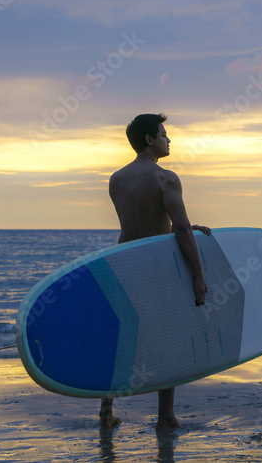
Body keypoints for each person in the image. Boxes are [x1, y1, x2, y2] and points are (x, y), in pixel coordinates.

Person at [99, 112, 210, 430]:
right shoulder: (165, 178)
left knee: (123, 337)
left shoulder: (116, 179)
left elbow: (142, 221)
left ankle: (107, 412)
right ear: (149, 139)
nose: (168, 139)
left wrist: (184, 226)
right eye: (163, 134)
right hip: (157, 268)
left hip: (125, 262)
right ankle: (165, 416)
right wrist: (198, 275)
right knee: (167, 337)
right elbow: (181, 229)